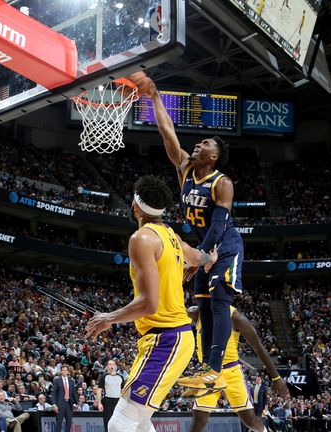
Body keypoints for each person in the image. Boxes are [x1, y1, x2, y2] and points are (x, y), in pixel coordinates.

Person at [129, 72, 242, 392]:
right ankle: (209, 373)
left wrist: (202, 258)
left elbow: (218, 226)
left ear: (215, 156)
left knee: (219, 300)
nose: (198, 143)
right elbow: (168, 134)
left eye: (205, 143)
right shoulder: (185, 169)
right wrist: (154, 98)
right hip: (205, 247)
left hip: (225, 244)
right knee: (203, 304)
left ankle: (215, 372)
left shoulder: (223, 183)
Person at [86, 175, 216, 432]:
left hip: (166, 339)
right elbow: (199, 257)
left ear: (135, 206)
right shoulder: (171, 236)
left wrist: (108, 317)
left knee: (119, 424)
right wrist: (209, 257)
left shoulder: (141, 239)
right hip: (168, 339)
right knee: (141, 423)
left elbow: (149, 304)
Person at [186, 306, 290, 432]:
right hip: (209, 372)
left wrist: (276, 377)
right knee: (198, 419)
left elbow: (258, 347)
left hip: (231, 372)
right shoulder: (197, 312)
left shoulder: (236, 317)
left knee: (249, 420)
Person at [95, 360, 124, 432]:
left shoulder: (120, 377)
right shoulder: (104, 377)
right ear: (107, 366)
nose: (112, 366)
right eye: (110, 364)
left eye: (113, 364)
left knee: (118, 422)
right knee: (107, 422)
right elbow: (99, 390)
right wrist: (99, 403)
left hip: (118, 402)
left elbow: (123, 391)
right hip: (107, 401)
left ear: (116, 366)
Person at [50, 366, 76, 432]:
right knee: (58, 423)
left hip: (69, 405)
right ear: (61, 371)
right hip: (60, 405)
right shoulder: (57, 380)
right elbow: (54, 394)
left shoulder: (71, 381)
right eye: (63, 370)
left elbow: (74, 393)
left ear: (68, 372)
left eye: (66, 370)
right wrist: (54, 405)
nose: (64, 371)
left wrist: (76, 403)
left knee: (69, 424)